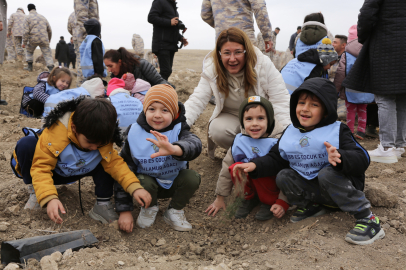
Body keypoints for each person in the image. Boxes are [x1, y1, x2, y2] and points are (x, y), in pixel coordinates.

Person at [233, 77, 384, 246]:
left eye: (314, 105)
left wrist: (341, 157)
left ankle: (368, 219)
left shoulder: (336, 130)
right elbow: (276, 158)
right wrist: (255, 165)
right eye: (301, 102)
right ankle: (312, 206)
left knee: (327, 173)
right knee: (284, 175)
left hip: (343, 188)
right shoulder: (290, 132)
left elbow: (362, 157)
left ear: (325, 111)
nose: (305, 109)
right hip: (318, 192)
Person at [12, 97, 152, 225]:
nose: (94, 147)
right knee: (26, 145)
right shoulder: (55, 134)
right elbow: (41, 168)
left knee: (109, 160)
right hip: (54, 171)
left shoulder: (101, 136)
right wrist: (49, 197)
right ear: (74, 128)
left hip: (80, 168)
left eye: (100, 144)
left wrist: (135, 187)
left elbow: (117, 166)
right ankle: (36, 193)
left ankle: (102, 205)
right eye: (90, 142)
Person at [184, 27, 290, 159]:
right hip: (231, 117)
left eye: (238, 52)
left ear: (247, 52)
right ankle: (244, 152)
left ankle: (264, 151)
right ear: (219, 54)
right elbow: (197, 99)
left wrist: (286, 137)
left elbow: (280, 99)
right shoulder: (212, 70)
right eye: (227, 53)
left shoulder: (262, 64)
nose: (232, 59)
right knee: (217, 130)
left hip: (263, 119)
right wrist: (180, 125)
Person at [114, 84, 202, 232]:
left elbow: (195, 144)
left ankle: (174, 211)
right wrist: (124, 210)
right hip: (147, 187)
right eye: (152, 109)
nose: (157, 115)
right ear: (145, 110)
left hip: (173, 182)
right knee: (142, 179)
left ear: (174, 113)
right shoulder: (134, 132)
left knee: (192, 178)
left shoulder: (179, 129)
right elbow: (124, 169)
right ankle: (149, 207)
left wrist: (175, 149)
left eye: (165, 110)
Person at [205, 96, 289, 220]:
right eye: (249, 119)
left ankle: (269, 202)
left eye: (260, 118)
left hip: (272, 185)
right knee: (235, 167)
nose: (254, 123)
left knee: (265, 169)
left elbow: (288, 173)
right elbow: (226, 169)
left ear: (270, 119)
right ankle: (248, 198)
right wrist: (220, 197)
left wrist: (282, 201)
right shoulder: (240, 141)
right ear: (242, 122)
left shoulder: (279, 140)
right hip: (251, 181)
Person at [343, 0, 406, 163]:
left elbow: (367, 15)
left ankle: (386, 148)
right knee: (402, 97)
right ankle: (399, 145)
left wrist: (363, 37)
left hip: (386, 43)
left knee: (385, 97)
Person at [335, 25, 374, 141]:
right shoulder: (370, 52)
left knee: (350, 110)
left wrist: (336, 88)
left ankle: (350, 131)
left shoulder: (346, 54)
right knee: (363, 109)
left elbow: (341, 72)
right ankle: (361, 132)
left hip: (350, 87)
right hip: (366, 87)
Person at [201, 0, 273, 52]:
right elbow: (259, 7)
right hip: (245, 38)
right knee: (251, 69)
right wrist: (267, 36)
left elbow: (205, 14)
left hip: (222, 39)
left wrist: (222, 26)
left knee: (224, 69)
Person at [148, 0, 188, 81]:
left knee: (167, 72)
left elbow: (172, 27)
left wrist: (180, 38)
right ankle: (158, 89)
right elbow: (151, 17)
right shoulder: (159, 1)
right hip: (162, 43)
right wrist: (169, 22)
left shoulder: (173, 7)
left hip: (171, 44)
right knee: (166, 71)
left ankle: (160, 89)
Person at [104, 47, 170, 87]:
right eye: (107, 67)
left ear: (119, 62)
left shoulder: (142, 65)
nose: (109, 70)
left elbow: (160, 82)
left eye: (110, 66)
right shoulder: (114, 76)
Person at [74, 0, 99, 86]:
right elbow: (82, 18)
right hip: (87, 36)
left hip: (92, 35)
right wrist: (88, 36)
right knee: (84, 65)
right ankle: (83, 91)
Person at [22, 4, 54, 71]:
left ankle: (29, 67)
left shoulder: (27, 17)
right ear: (35, 8)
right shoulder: (43, 17)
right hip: (44, 39)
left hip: (33, 39)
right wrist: (49, 39)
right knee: (47, 53)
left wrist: (24, 42)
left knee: (29, 51)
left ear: (28, 9)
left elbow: (26, 31)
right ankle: (51, 68)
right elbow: (49, 30)